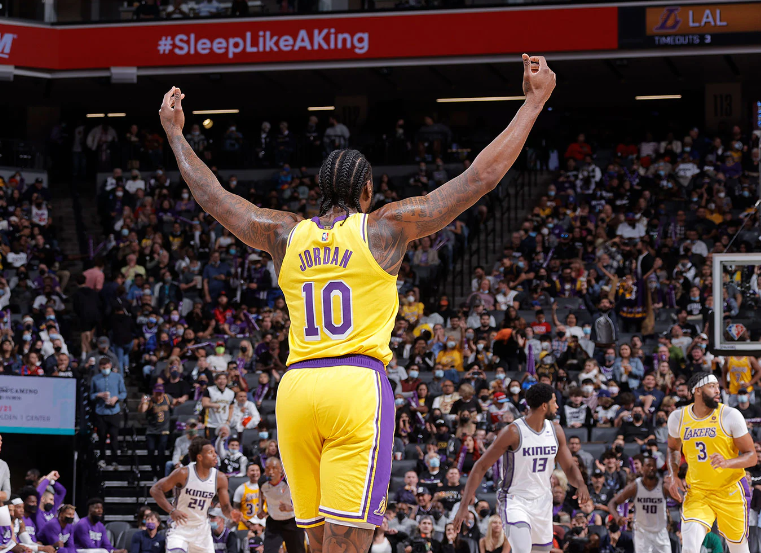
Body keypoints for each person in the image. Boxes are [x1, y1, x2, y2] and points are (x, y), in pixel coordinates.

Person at [158, 53, 556, 548]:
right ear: (366, 191)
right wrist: (533, 103)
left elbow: (217, 199)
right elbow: (477, 179)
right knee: (350, 541)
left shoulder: (284, 233)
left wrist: (177, 136)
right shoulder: (383, 229)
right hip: (355, 387)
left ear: (322, 190)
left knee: (317, 541)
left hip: (297, 389)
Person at [451, 384, 589, 553]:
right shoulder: (513, 432)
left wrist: (581, 484)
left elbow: (568, 467)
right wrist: (464, 505)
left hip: (543, 500)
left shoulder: (555, 431)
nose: (557, 406)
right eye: (554, 402)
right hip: (515, 499)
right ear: (544, 405)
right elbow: (480, 467)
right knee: (522, 549)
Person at [666, 371, 757, 553]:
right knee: (690, 548)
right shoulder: (678, 418)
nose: (717, 390)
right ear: (697, 391)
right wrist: (673, 475)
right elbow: (673, 448)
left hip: (729, 491)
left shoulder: (730, 415)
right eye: (712, 386)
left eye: (717, 386)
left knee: (739, 549)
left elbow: (752, 456)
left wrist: (728, 462)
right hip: (698, 492)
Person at [149, 437, 241, 553]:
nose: (215, 455)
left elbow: (226, 507)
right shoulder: (183, 473)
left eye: (214, 452)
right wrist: (172, 510)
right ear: (200, 457)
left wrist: (232, 514)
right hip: (180, 528)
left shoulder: (220, 478)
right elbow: (155, 489)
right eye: (210, 452)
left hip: (202, 531)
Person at [606, 454, 670, 553]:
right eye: (648, 466)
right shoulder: (635, 487)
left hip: (660, 532)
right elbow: (612, 503)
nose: (651, 468)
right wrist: (617, 517)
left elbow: (682, 501)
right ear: (643, 468)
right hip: (642, 532)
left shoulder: (664, 486)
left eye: (653, 466)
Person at [258, 457, 305, 553]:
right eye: (267, 468)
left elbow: (304, 499)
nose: (270, 471)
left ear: (281, 469)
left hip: (292, 522)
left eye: (274, 468)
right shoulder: (262, 482)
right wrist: (260, 508)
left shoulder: (290, 482)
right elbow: (261, 492)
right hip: (274, 522)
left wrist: (291, 508)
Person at [90, 358, 126, 468]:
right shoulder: (95, 379)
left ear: (110, 365)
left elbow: (124, 393)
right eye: (103, 367)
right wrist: (99, 395)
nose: (105, 369)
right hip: (101, 412)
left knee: (114, 436)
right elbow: (91, 395)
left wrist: (116, 398)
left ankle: (115, 459)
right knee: (102, 436)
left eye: (106, 367)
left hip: (114, 411)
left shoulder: (117, 377)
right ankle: (102, 458)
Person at [140, 383, 173, 479]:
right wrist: (142, 402)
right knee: (150, 451)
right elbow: (142, 410)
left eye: (160, 394)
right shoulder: (150, 400)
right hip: (151, 431)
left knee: (161, 453)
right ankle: (154, 471)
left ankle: (161, 474)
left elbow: (175, 403)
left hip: (164, 430)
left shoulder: (167, 398)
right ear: (153, 392)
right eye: (157, 393)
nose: (159, 396)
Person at [233, 463, 262, 530]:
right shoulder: (241, 489)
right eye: (252, 470)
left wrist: (261, 524)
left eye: (257, 470)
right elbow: (236, 509)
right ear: (247, 473)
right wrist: (246, 523)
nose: (255, 473)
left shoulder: (265, 487)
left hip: (262, 523)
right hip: (245, 524)